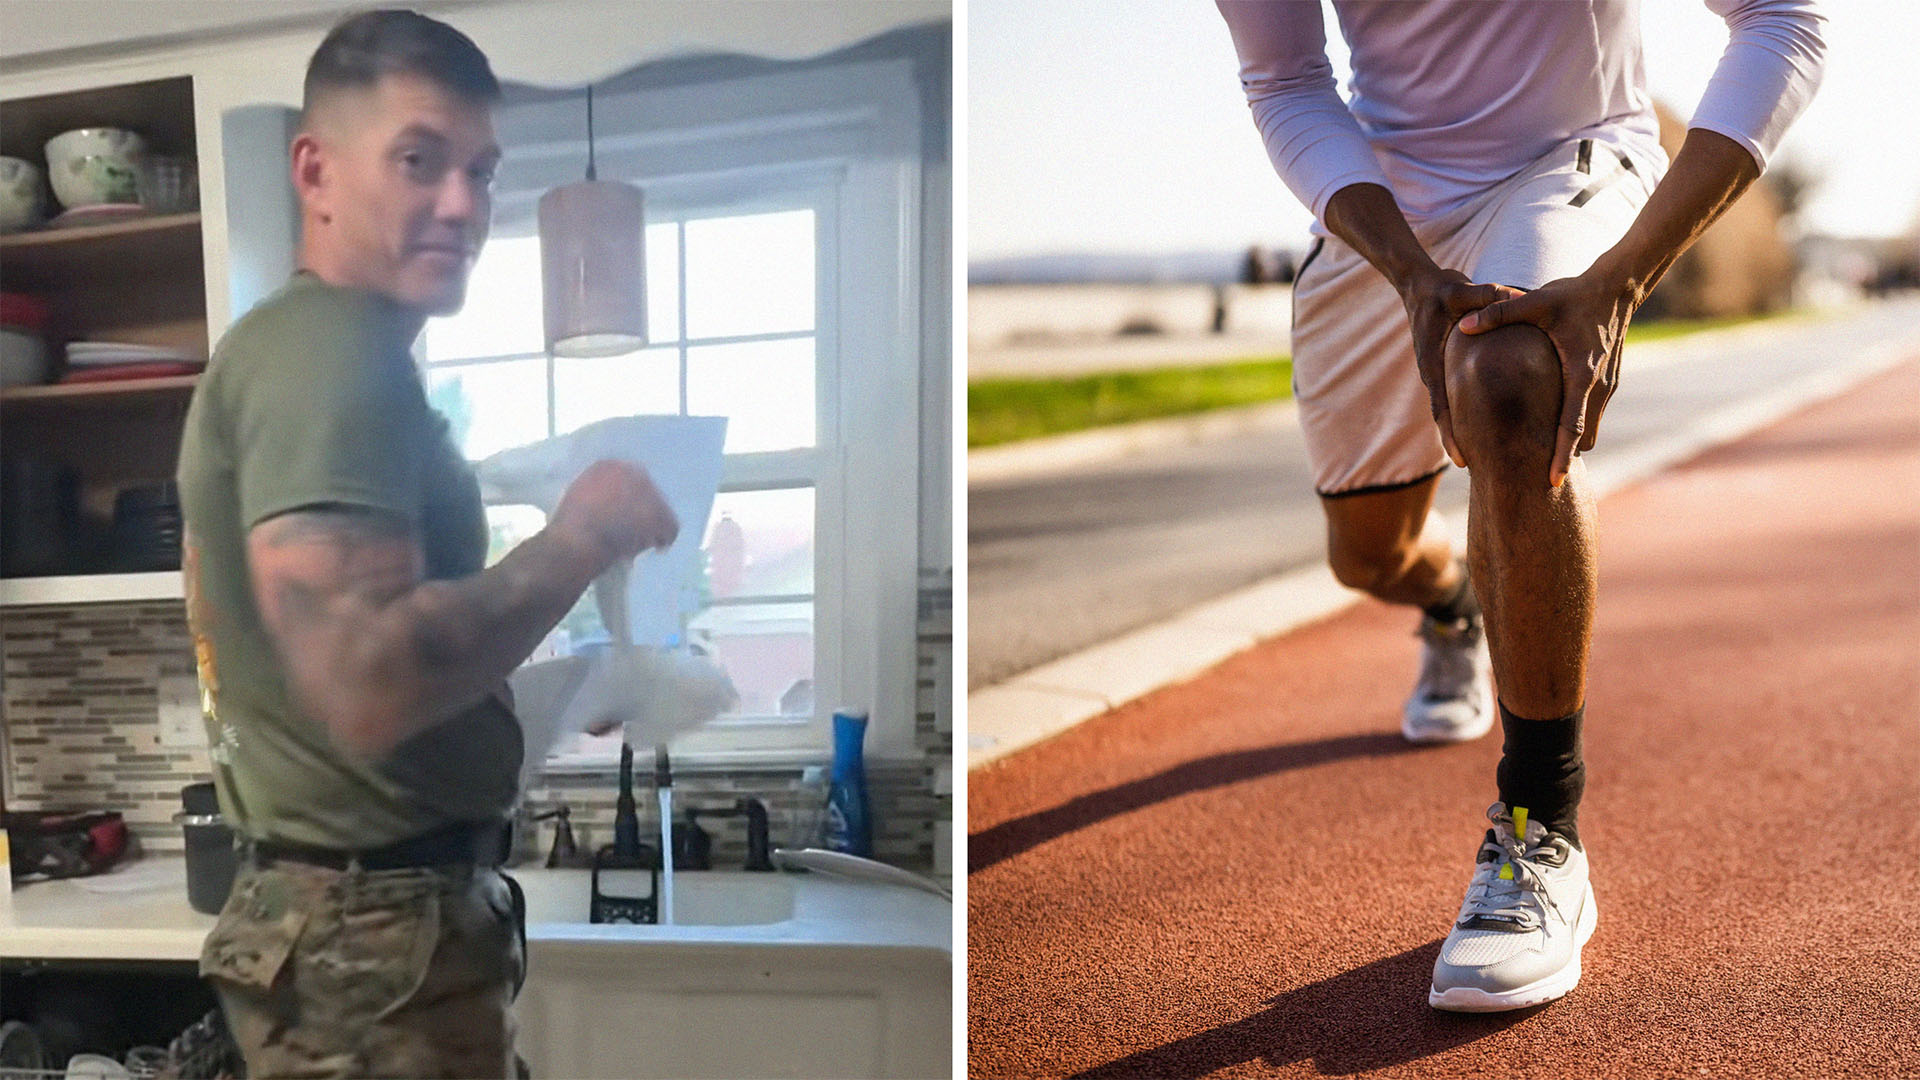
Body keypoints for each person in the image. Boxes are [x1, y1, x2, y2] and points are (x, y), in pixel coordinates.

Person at [1215, 0, 1824, 1011]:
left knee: (1509, 380)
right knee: (1367, 558)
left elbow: (1782, 21)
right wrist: (1405, 267)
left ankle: (1543, 824)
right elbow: (1285, 80)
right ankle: (1451, 601)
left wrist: (1624, 276)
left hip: (1570, 157)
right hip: (1384, 208)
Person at [175, 9, 677, 1074]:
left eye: (482, 171)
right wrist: (581, 536)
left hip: (376, 934)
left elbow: (341, 670)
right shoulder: (328, 352)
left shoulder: (327, 360)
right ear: (314, 172)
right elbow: (366, 678)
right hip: (373, 945)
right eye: (419, 160)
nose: (464, 204)